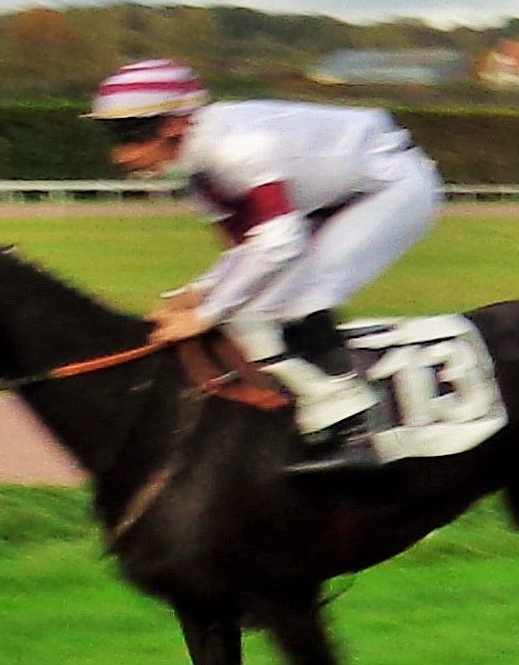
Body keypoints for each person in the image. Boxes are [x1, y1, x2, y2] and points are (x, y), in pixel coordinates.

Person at [93, 57, 443, 469]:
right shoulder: (197, 167)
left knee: (287, 304)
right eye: (115, 136)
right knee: (250, 308)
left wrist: (206, 313)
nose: (121, 155)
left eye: (130, 135)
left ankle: (359, 430)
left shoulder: (236, 149)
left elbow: (279, 242)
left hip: (392, 187)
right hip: (337, 199)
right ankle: (322, 405)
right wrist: (197, 293)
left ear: (175, 124)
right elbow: (246, 249)